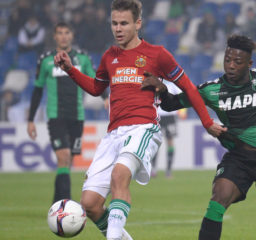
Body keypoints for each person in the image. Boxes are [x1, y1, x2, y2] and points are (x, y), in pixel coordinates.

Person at [53, 1, 226, 239]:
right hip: (113, 134)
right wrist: (71, 69)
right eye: (114, 23)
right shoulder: (109, 56)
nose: (118, 28)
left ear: (138, 23)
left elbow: (189, 88)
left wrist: (207, 122)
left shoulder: (157, 55)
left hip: (143, 128)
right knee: (90, 204)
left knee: (119, 176)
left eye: (124, 23)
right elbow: (96, 88)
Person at [142, 34, 256, 240]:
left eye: (237, 62)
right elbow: (171, 104)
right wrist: (163, 90)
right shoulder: (211, 90)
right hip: (239, 159)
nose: (230, 66)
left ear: (249, 64)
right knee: (217, 201)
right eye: (227, 60)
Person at [27, 22, 96, 203]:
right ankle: (65, 203)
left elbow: (95, 81)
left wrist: (105, 98)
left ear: (72, 35)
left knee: (67, 162)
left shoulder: (83, 58)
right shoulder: (46, 60)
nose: (64, 36)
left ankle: (57, 203)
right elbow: (37, 90)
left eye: (67, 32)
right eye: (60, 33)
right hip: (56, 116)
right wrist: (30, 120)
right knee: (63, 156)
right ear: (55, 37)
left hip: (77, 116)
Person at [151, 81, 186, 178]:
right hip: (157, 116)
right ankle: (153, 169)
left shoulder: (172, 84)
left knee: (170, 142)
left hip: (170, 116)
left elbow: (181, 96)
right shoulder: (156, 82)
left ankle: (168, 170)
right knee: (155, 142)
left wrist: (182, 111)